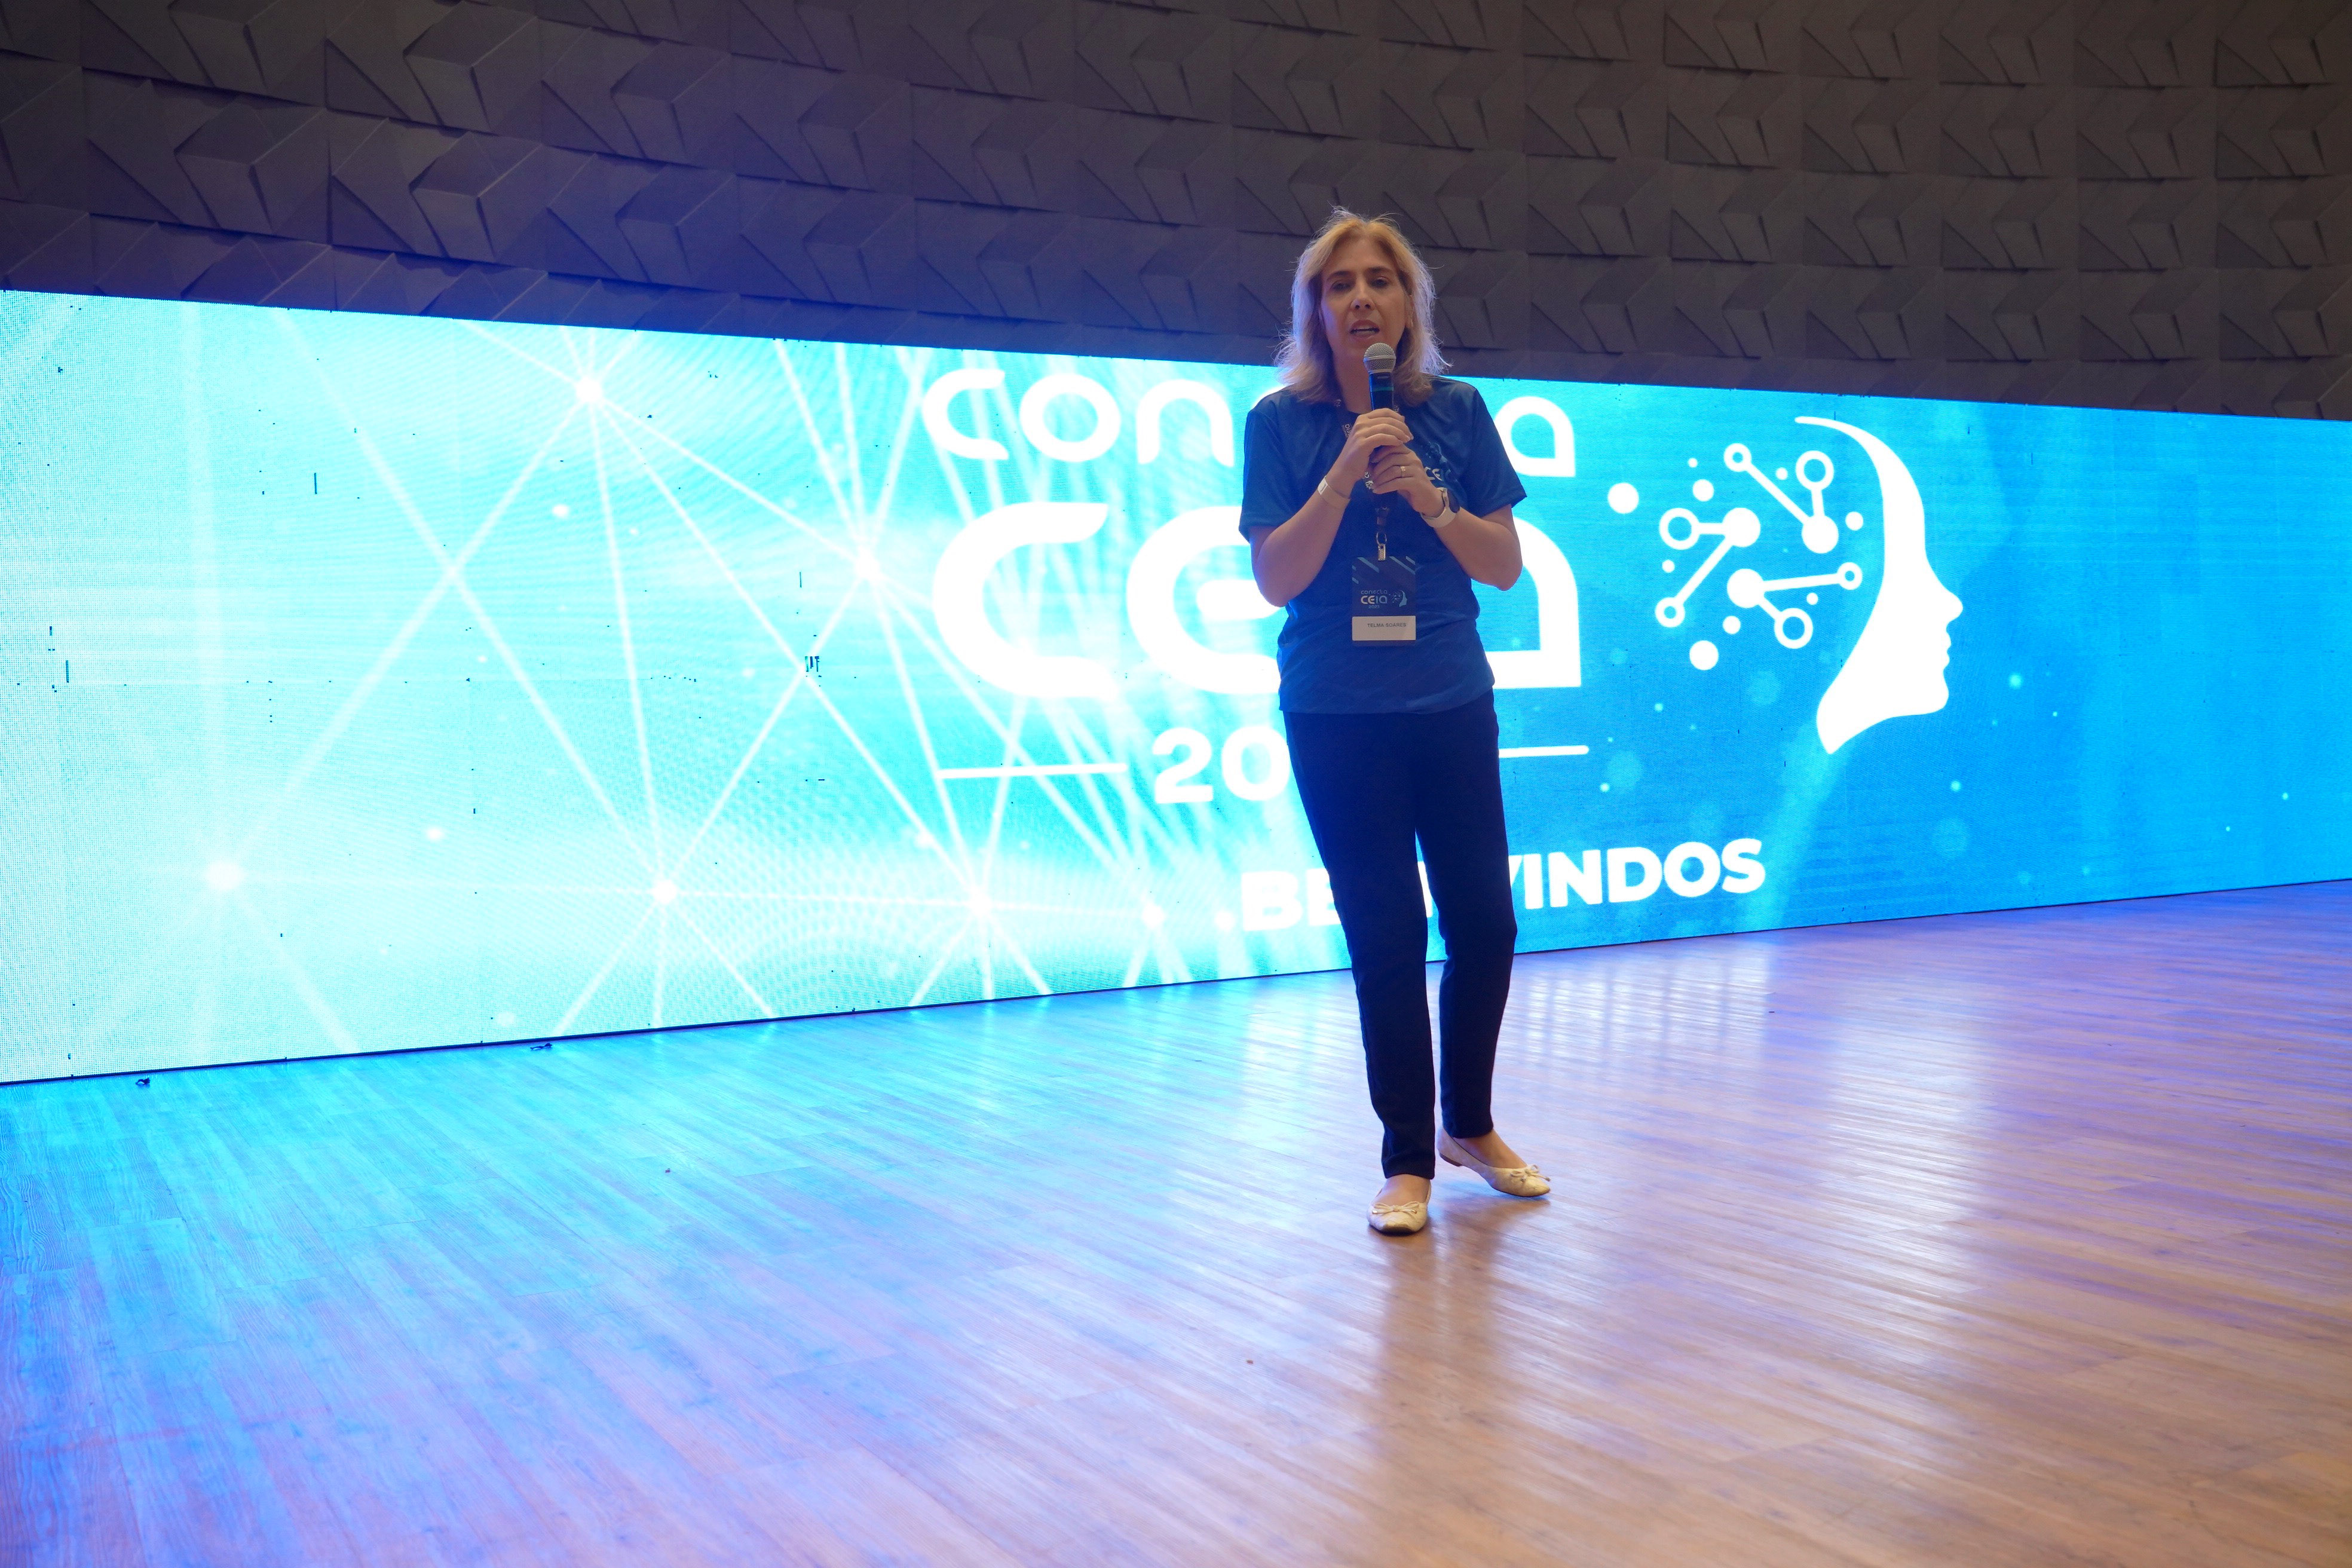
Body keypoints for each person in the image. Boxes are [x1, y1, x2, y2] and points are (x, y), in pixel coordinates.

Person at [1239, 211, 1551, 1236]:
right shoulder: (1279, 425)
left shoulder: (1457, 412)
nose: (1362, 298)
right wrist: (1343, 475)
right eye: (1340, 285)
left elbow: (1503, 568)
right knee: (1385, 934)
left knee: (1486, 926)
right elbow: (1276, 578)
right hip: (1336, 712)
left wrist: (1428, 497)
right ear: (1315, 311)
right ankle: (1407, 1160)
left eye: (1381, 280)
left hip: (1449, 700)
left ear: (1410, 305)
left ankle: (1471, 1124)